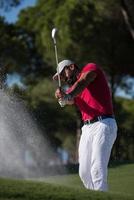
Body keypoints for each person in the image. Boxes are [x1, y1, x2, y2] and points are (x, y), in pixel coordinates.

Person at [53, 59, 117, 191]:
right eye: (60, 78)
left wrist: (68, 95)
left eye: (63, 75)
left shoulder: (90, 68)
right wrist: (62, 97)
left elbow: (83, 82)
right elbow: (69, 100)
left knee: (97, 169)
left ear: (71, 67)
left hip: (104, 124)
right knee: (84, 172)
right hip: (87, 129)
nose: (63, 79)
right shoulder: (73, 89)